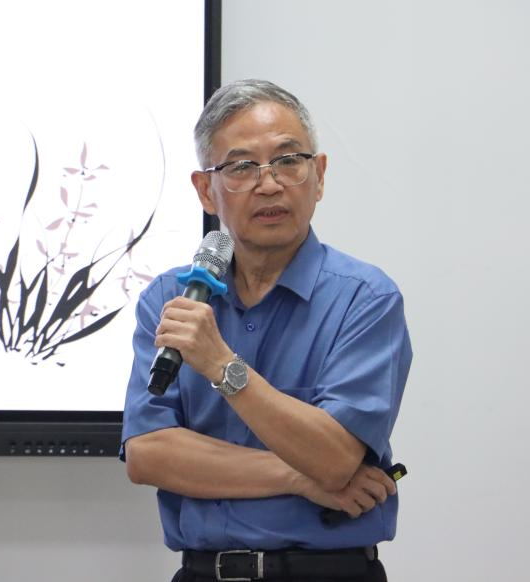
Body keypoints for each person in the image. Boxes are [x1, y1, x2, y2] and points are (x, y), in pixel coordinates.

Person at [121, 79, 412, 582]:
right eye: (241, 167)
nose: (270, 184)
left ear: (319, 176)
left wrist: (220, 365)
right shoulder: (172, 299)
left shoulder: (366, 298)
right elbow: (149, 455)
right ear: (205, 190)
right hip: (202, 572)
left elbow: (335, 458)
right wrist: (298, 476)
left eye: (288, 160)